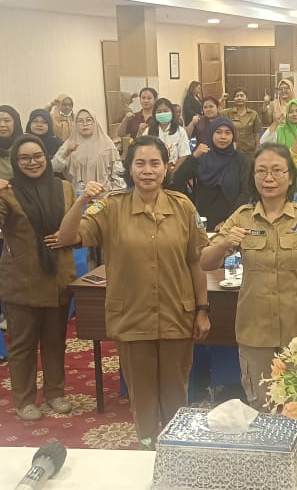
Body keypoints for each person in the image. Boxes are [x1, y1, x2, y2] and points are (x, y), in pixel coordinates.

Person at [55, 137, 210, 450]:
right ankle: (146, 449)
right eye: (140, 163)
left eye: (154, 163)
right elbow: (67, 237)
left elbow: (196, 262)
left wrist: (202, 309)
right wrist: (81, 200)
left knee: (176, 393)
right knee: (142, 396)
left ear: (166, 168)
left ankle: (176, 452)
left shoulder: (183, 206)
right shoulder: (111, 207)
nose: (147, 171)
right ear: (129, 168)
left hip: (176, 315)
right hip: (132, 316)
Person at [200, 143, 297, 410]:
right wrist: (225, 244)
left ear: (290, 177)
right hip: (255, 331)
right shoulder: (242, 218)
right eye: (261, 171)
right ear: (253, 177)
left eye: (277, 170)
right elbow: (205, 262)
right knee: (262, 407)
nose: (269, 178)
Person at [0, 134, 76, 421]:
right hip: (21, 281)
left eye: (38, 156)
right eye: (25, 158)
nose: (33, 162)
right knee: (23, 345)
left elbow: (74, 226)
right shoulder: (7, 191)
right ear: (15, 162)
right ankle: (24, 399)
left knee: (55, 342)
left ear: (46, 157)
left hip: (57, 277)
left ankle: (55, 393)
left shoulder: (65, 188)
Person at [172, 117, 253, 230]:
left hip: (231, 221)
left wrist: (229, 220)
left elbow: (245, 193)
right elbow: (177, 180)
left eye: (228, 133)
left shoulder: (241, 159)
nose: (223, 137)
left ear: (233, 136)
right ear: (211, 134)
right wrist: (194, 156)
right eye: (218, 132)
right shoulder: (202, 157)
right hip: (202, 221)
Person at [51, 109, 126, 192]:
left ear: (95, 123)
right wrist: (65, 154)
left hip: (104, 196)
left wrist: (116, 196)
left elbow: (118, 175)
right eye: (80, 121)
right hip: (78, 197)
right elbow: (53, 168)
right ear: (75, 124)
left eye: (89, 120)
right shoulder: (69, 145)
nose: (85, 124)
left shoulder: (108, 145)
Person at [151, 98, 191, 169]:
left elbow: (184, 155)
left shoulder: (180, 131)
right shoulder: (149, 130)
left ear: (172, 112)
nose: (162, 114)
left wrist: (173, 172)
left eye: (165, 111)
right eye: (159, 112)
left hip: (173, 169)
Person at [224, 88, 261, 158]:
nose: (239, 98)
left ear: (246, 98)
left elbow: (256, 133)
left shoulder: (253, 114)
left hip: (250, 151)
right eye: (237, 96)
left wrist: (258, 149)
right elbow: (215, 112)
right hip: (233, 150)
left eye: (242, 95)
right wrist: (222, 99)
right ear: (234, 99)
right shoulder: (228, 113)